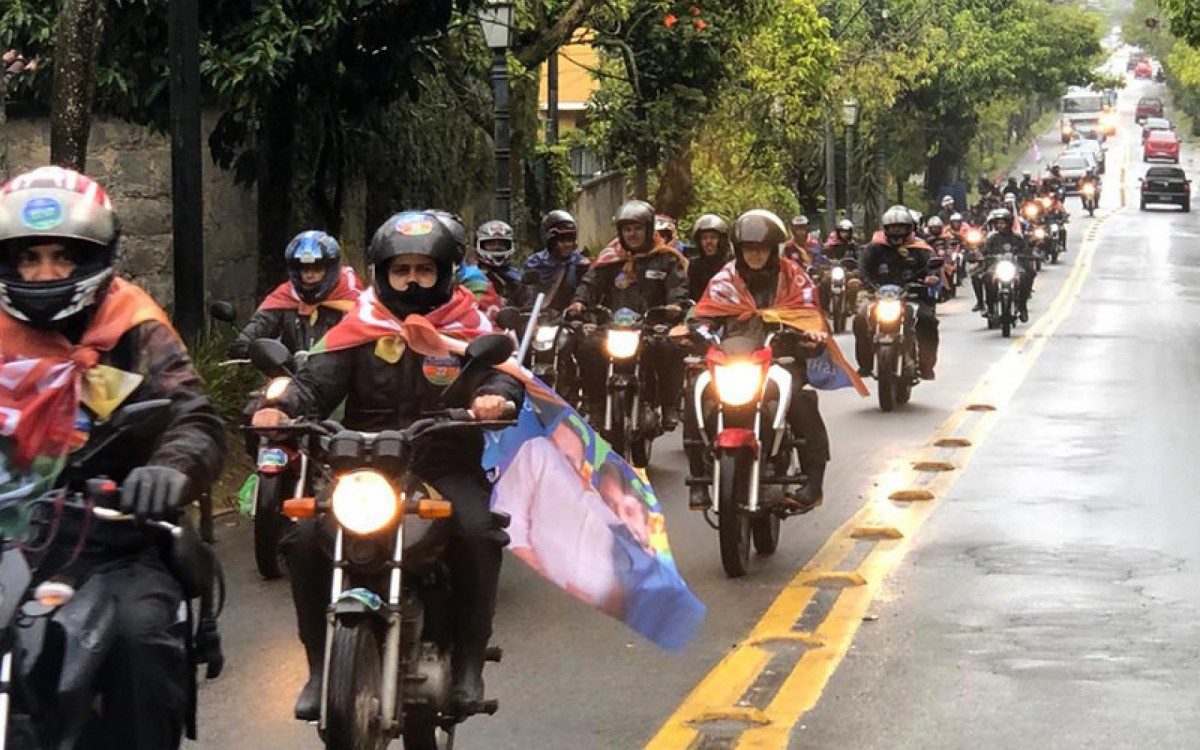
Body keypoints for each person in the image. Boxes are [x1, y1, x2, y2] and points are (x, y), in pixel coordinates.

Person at [253, 210, 523, 719]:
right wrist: (279, 407)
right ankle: (318, 667)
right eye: (402, 270)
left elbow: (501, 375)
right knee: (306, 539)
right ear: (384, 273)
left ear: (444, 272)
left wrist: (493, 397)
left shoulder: (468, 327)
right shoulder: (362, 326)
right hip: (364, 467)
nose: (413, 280)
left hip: (444, 464)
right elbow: (315, 380)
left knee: (477, 533)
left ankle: (468, 665)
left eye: (424, 269)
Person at [0, 167, 226, 749]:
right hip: (8, 535)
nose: (45, 273)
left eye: (62, 257)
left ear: (95, 258)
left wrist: (169, 471)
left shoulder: (133, 327)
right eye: (29, 258)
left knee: (139, 642)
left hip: (111, 538)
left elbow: (192, 415)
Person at [686, 209, 831, 511]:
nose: (755, 254)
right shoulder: (725, 279)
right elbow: (704, 313)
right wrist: (697, 331)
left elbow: (810, 314)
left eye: (761, 248)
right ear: (739, 250)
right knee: (695, 387)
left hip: (782, 359)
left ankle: (813, 482)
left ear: (773, 250)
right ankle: (698, 475)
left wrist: (810, 334)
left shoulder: (794, 277)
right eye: (749, 248)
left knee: (802, 398)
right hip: (734, 360)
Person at [566, 200, 690, 431]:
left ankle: (669, 406)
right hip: (614, 326)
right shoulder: (610, 258)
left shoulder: (667, 258)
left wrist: (674, 305)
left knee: (669, 347)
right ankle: (595, 404)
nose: (632, 234)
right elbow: (590, 283)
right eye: (627, 229)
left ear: (649, 229)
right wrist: (579, 302)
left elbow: (678, 288)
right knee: (587, 346)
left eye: (637, 228)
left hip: (652, 326)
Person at [227, 230, 362, 358]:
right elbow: (264, 320)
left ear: (330, 269)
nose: (310, 274)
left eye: (317, 268)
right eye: (304, 269)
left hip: (339, 377)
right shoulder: (286, 296)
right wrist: (243, 344)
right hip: (290, 374)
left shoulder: (351, 299)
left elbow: (367, 334)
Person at [853, 205, 941, 380]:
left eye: (900, 227)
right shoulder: (875, 248)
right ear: (886, 229)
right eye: (893, 228)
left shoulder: (920, 248)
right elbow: (863, 268)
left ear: (910, 228)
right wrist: (859, 280)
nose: (896, 232)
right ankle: (865, 364)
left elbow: (932, 266)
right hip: (879, 296)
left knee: (928, 321)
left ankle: (926, 365)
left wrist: (930, 277)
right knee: (860, 320)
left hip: (911, 296)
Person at [522, 209, 590, 312]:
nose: (568, 244)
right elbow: (525, 297)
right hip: (539, 318)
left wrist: (579, 303)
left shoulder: (580, 263)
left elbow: (589, 289)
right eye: (562, 239)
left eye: (570, 239)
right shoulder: (534, 263)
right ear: (550, 240)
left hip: (571, 318)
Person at [981, 207, 1035, 322]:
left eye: (1003, 223)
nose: (1000, 225)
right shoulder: (992, 238)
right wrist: (980, 256)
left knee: (1028, 275)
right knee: (987, 278)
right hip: (996, 267)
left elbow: (1026, 250)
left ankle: (1022, 306)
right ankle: (990, 307)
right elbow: (984, 252)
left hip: (1015, 266)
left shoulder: (1017, 237)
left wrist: (1028, 255)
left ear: (1009, 223)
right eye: (998, 223)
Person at [475, 219, 529, 308]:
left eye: (501, 244)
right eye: (491, 244)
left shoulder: (516, 277)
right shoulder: (471, 276)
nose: (497, 247)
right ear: (481, 245)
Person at [685, 213, 732, 301]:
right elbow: (691, 294)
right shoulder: (695, 265)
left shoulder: (731, 263)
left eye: (713, 237)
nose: (708, 241)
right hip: (701, 310)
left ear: (721, 240)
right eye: (704, 238)